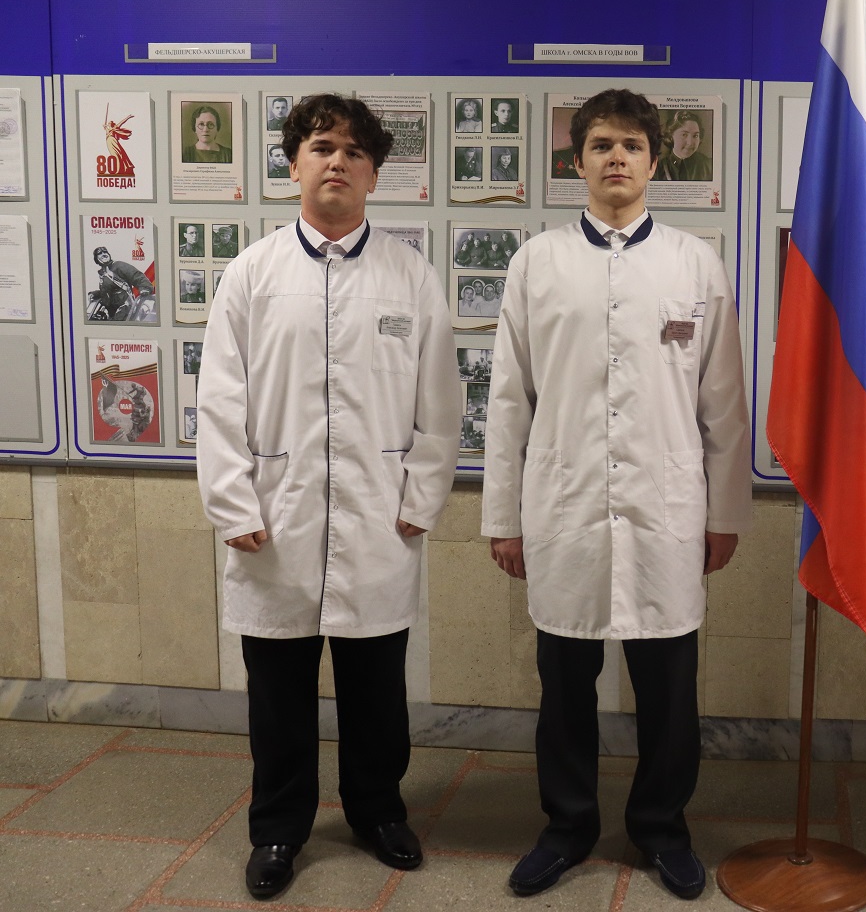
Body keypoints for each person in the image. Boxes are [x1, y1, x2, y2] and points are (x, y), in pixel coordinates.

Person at [482, 88, 751, 902]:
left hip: (666, 511)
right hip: (562, 506)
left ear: (655, 161)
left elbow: (723, 404)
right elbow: (508, 401)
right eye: (601, 145)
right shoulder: (537, 263)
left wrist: (725, 514)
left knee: (669, 687)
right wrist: (503, 517)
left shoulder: (694, 264)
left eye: (632, 145)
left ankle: (662, 828)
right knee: (564, 684)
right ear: (577, 162)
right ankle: (566, 827)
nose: (617, 158)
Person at [195, 93, 461, 902]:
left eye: (353, 151)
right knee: (277, 694)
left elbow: (441, 405)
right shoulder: (252, 273)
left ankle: (378, 811)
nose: (337, 161)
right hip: (275, 519)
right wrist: (234, 503)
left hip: (380, 517)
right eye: (321, 147)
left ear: (374, 174)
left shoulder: (411, 277)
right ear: (294, 166)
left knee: (377, 689)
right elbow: (220, 399)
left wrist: (422, 497)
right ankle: (278, 827)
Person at [88, 246, 154, 321]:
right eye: (100, 253)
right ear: (96, 259)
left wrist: (145, 287)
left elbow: (135, 275)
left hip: (125, 309)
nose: (103, 254)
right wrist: (96, 294)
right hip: (112, 311)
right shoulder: (103, 274)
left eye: (105, 252)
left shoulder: (119, 265)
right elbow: (109, 291)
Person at [654, 109, 713, 181]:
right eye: (684, 135)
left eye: (695, 136)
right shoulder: (657, 170)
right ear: (671, 136)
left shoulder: (710, 166)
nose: (690, 143)